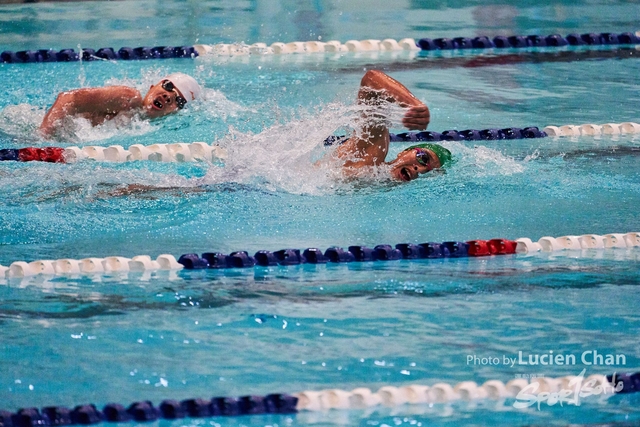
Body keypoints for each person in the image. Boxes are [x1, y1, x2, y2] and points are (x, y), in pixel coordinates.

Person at [331, 70, 451, 182]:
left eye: (428, 172)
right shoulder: (371, 154)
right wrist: (413, 104)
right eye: (423, 158)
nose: (419, 169)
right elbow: (371, 79)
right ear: (404, 152)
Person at [39, 72, 202, 138]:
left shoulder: (152, 127)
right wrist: (44, 136)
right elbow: (69, 99)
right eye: (168, 86)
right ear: (154, 86)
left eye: (178, 101)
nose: (168, 97)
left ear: (176, 112)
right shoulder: (129, 98)